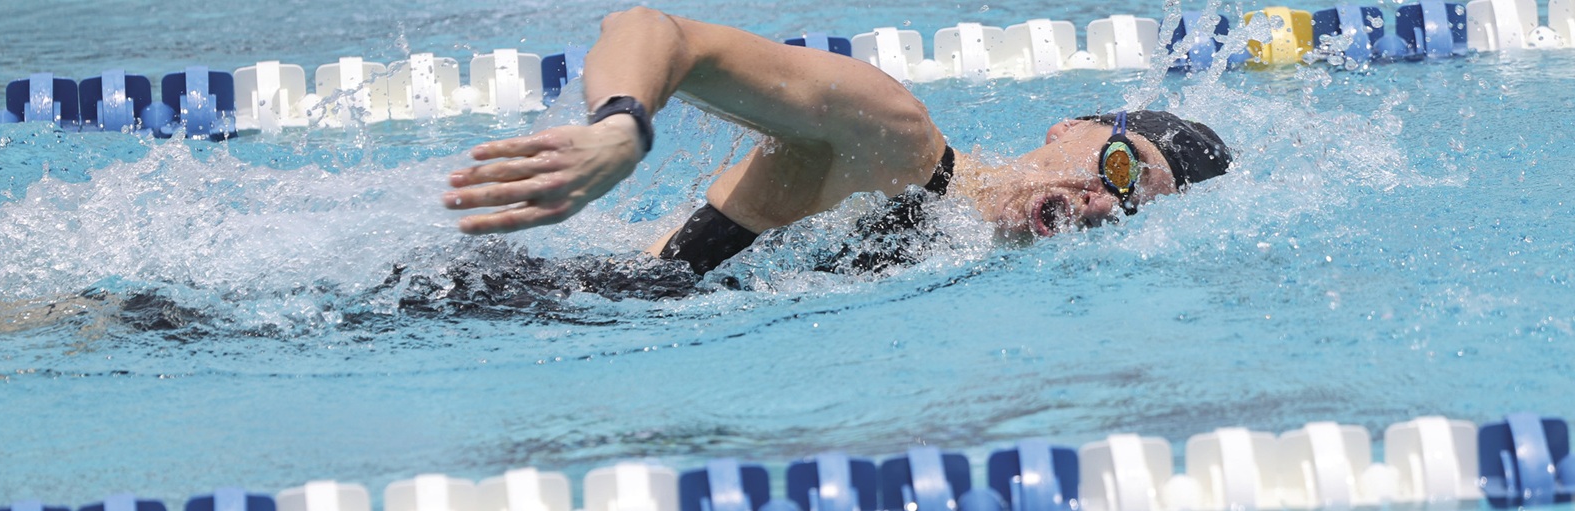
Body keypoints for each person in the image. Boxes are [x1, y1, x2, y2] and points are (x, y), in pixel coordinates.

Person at [443, 7, 1232, 276]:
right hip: (505, 301)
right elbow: (652, 29)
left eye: (1127, 207)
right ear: (1068, 127)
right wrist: (620, 127)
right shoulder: (894, 138)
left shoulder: (961, 260)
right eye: (1120, 166)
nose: (1103, 200)